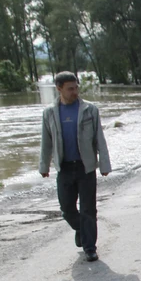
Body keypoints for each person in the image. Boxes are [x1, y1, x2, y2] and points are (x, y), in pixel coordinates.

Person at [39, 71, 111, 262]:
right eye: (70, 88)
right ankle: (81, 228)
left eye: (76, 87)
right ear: (59, 89)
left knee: (89, 209)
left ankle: (90, 248)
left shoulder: (90, 110)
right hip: (64, 168)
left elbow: (99, 140)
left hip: (85, 167)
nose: (75, 91)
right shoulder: (49, 113)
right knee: (67, 209)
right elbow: (46, 142)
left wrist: (104, 164)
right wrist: (43, 165)